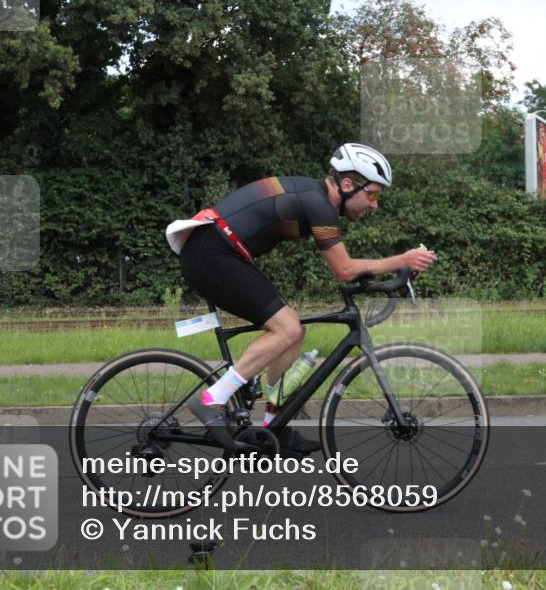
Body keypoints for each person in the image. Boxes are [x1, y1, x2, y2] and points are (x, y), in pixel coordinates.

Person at [166, 143, 437, 454]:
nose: (374, 205)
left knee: (293, 334)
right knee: (288, 328)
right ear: (348, 185)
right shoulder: (318, 204)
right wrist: (402, 260)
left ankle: (273, 426)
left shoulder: (316, 198)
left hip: (218, 249)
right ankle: (211, 400)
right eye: (373, 194)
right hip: (211, 252)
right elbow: (344, 270)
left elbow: (346, 268)